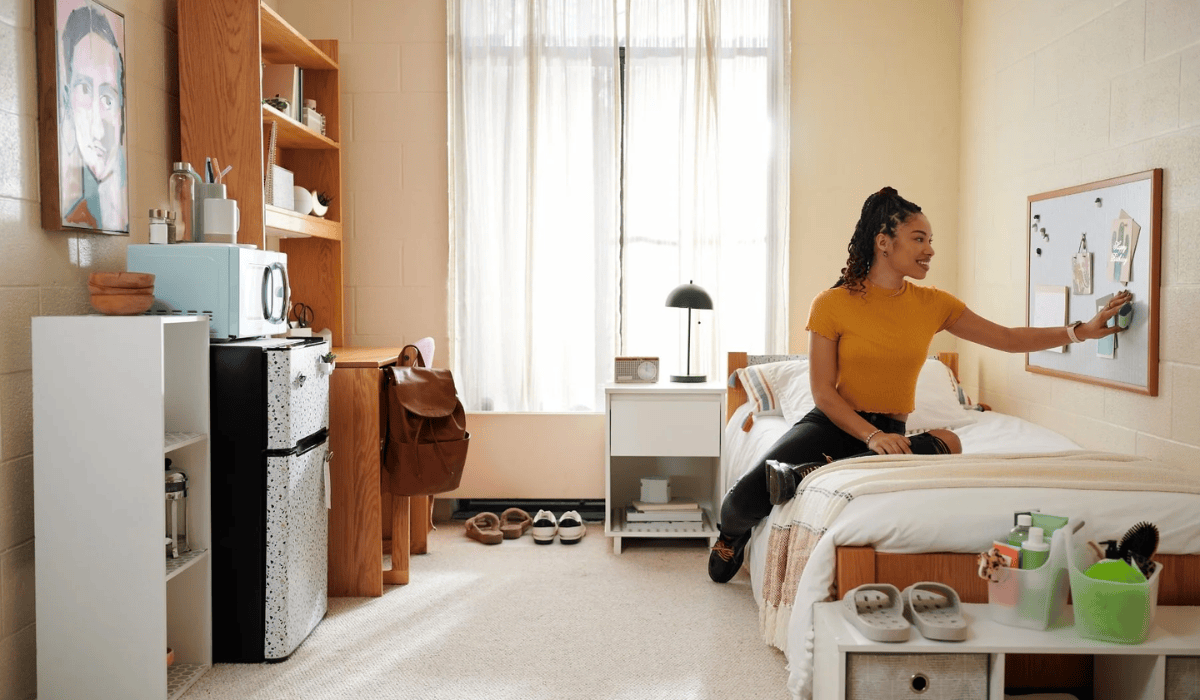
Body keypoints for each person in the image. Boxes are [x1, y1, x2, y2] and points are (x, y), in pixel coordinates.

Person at [708, 187, 1132, 583]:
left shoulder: (934, 304)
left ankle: (811, 473)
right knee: (741, 502)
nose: (930, 249)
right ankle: (733, 534)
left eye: (930, 239)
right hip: (834, 425)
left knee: (951, 439)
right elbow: (822, 392)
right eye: (918, 238)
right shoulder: (831, 304)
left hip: (892, 434)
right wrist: (870, 435)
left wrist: (1079, 331)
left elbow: (1007, 338)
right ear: (884, 241)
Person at [60, 4, 127, 232]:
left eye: (108, 100)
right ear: (67, 102)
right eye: (85, 91)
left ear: (121, 112)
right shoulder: (77, 215)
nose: (98, 131)